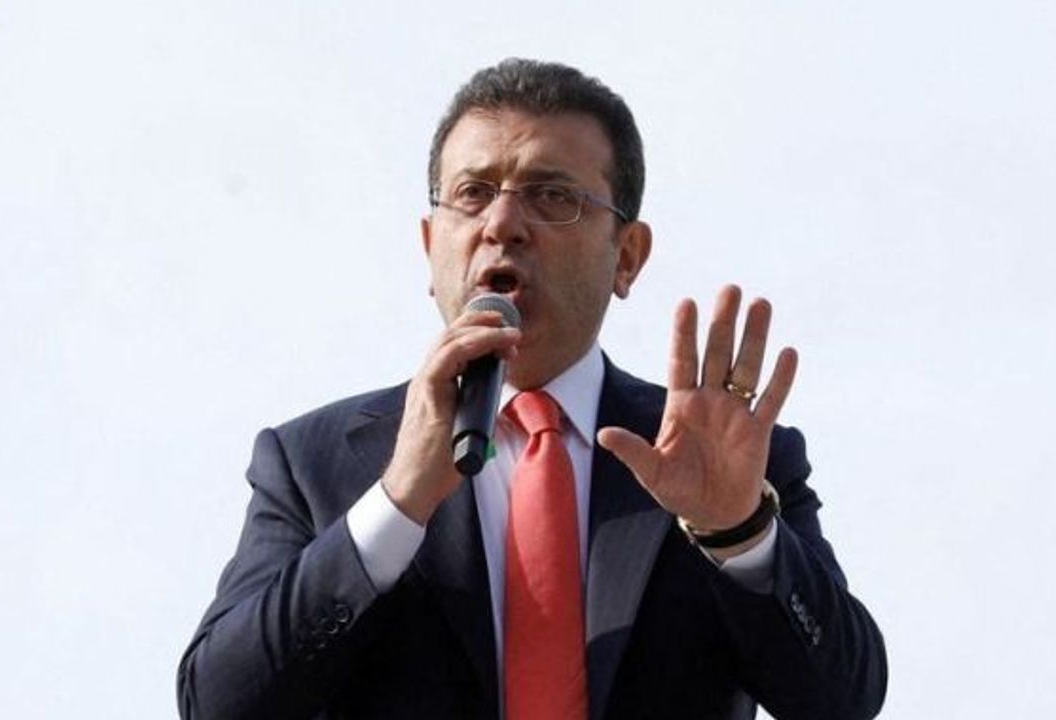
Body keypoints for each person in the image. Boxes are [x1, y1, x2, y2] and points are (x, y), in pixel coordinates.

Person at [177, 58, 887, 720]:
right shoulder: (314, 463)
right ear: (430, 246)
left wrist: (737, 533)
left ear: (627, 257)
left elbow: (842, 700)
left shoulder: (719, 457)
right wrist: (398, 501)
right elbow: (218, 703)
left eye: (552, 196)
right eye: (472, 194)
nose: (502, 225)